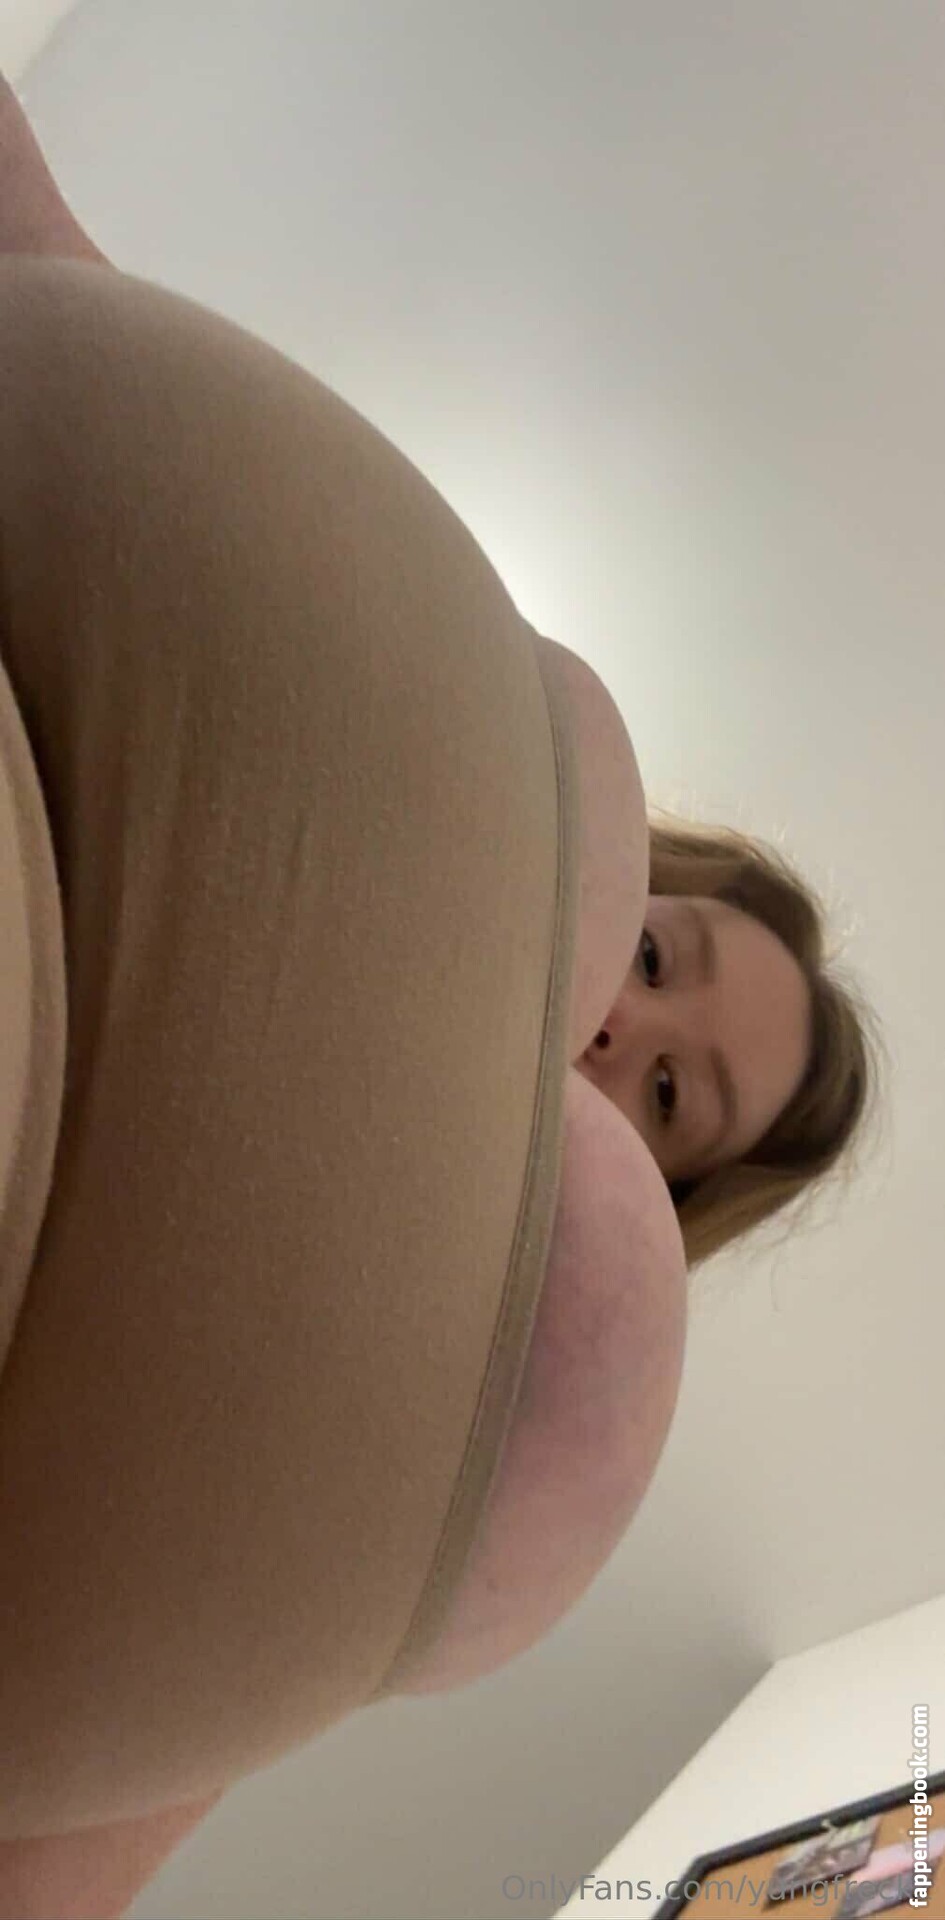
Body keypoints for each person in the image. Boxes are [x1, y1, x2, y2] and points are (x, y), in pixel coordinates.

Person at [0, 71, 884, 1918]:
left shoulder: (420, 1382)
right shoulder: (431, 770)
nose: (624, 1026)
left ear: (666, 1193)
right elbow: (52, 269)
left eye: (671, 1100)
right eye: (659, 958)